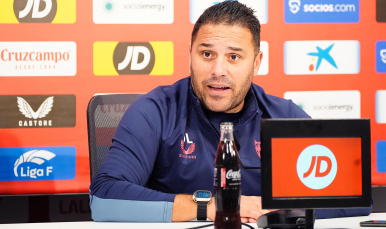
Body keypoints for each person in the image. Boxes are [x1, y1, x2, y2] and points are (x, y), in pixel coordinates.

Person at [89, 1, 371, 223]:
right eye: (207, 54)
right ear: (190, 54)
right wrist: (213, 206)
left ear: (256, 62)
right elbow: (105, 197)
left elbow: (352, 198)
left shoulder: (284, 116)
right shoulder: (155, 111)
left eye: (234, 57)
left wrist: (273, 209)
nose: (218, 71)